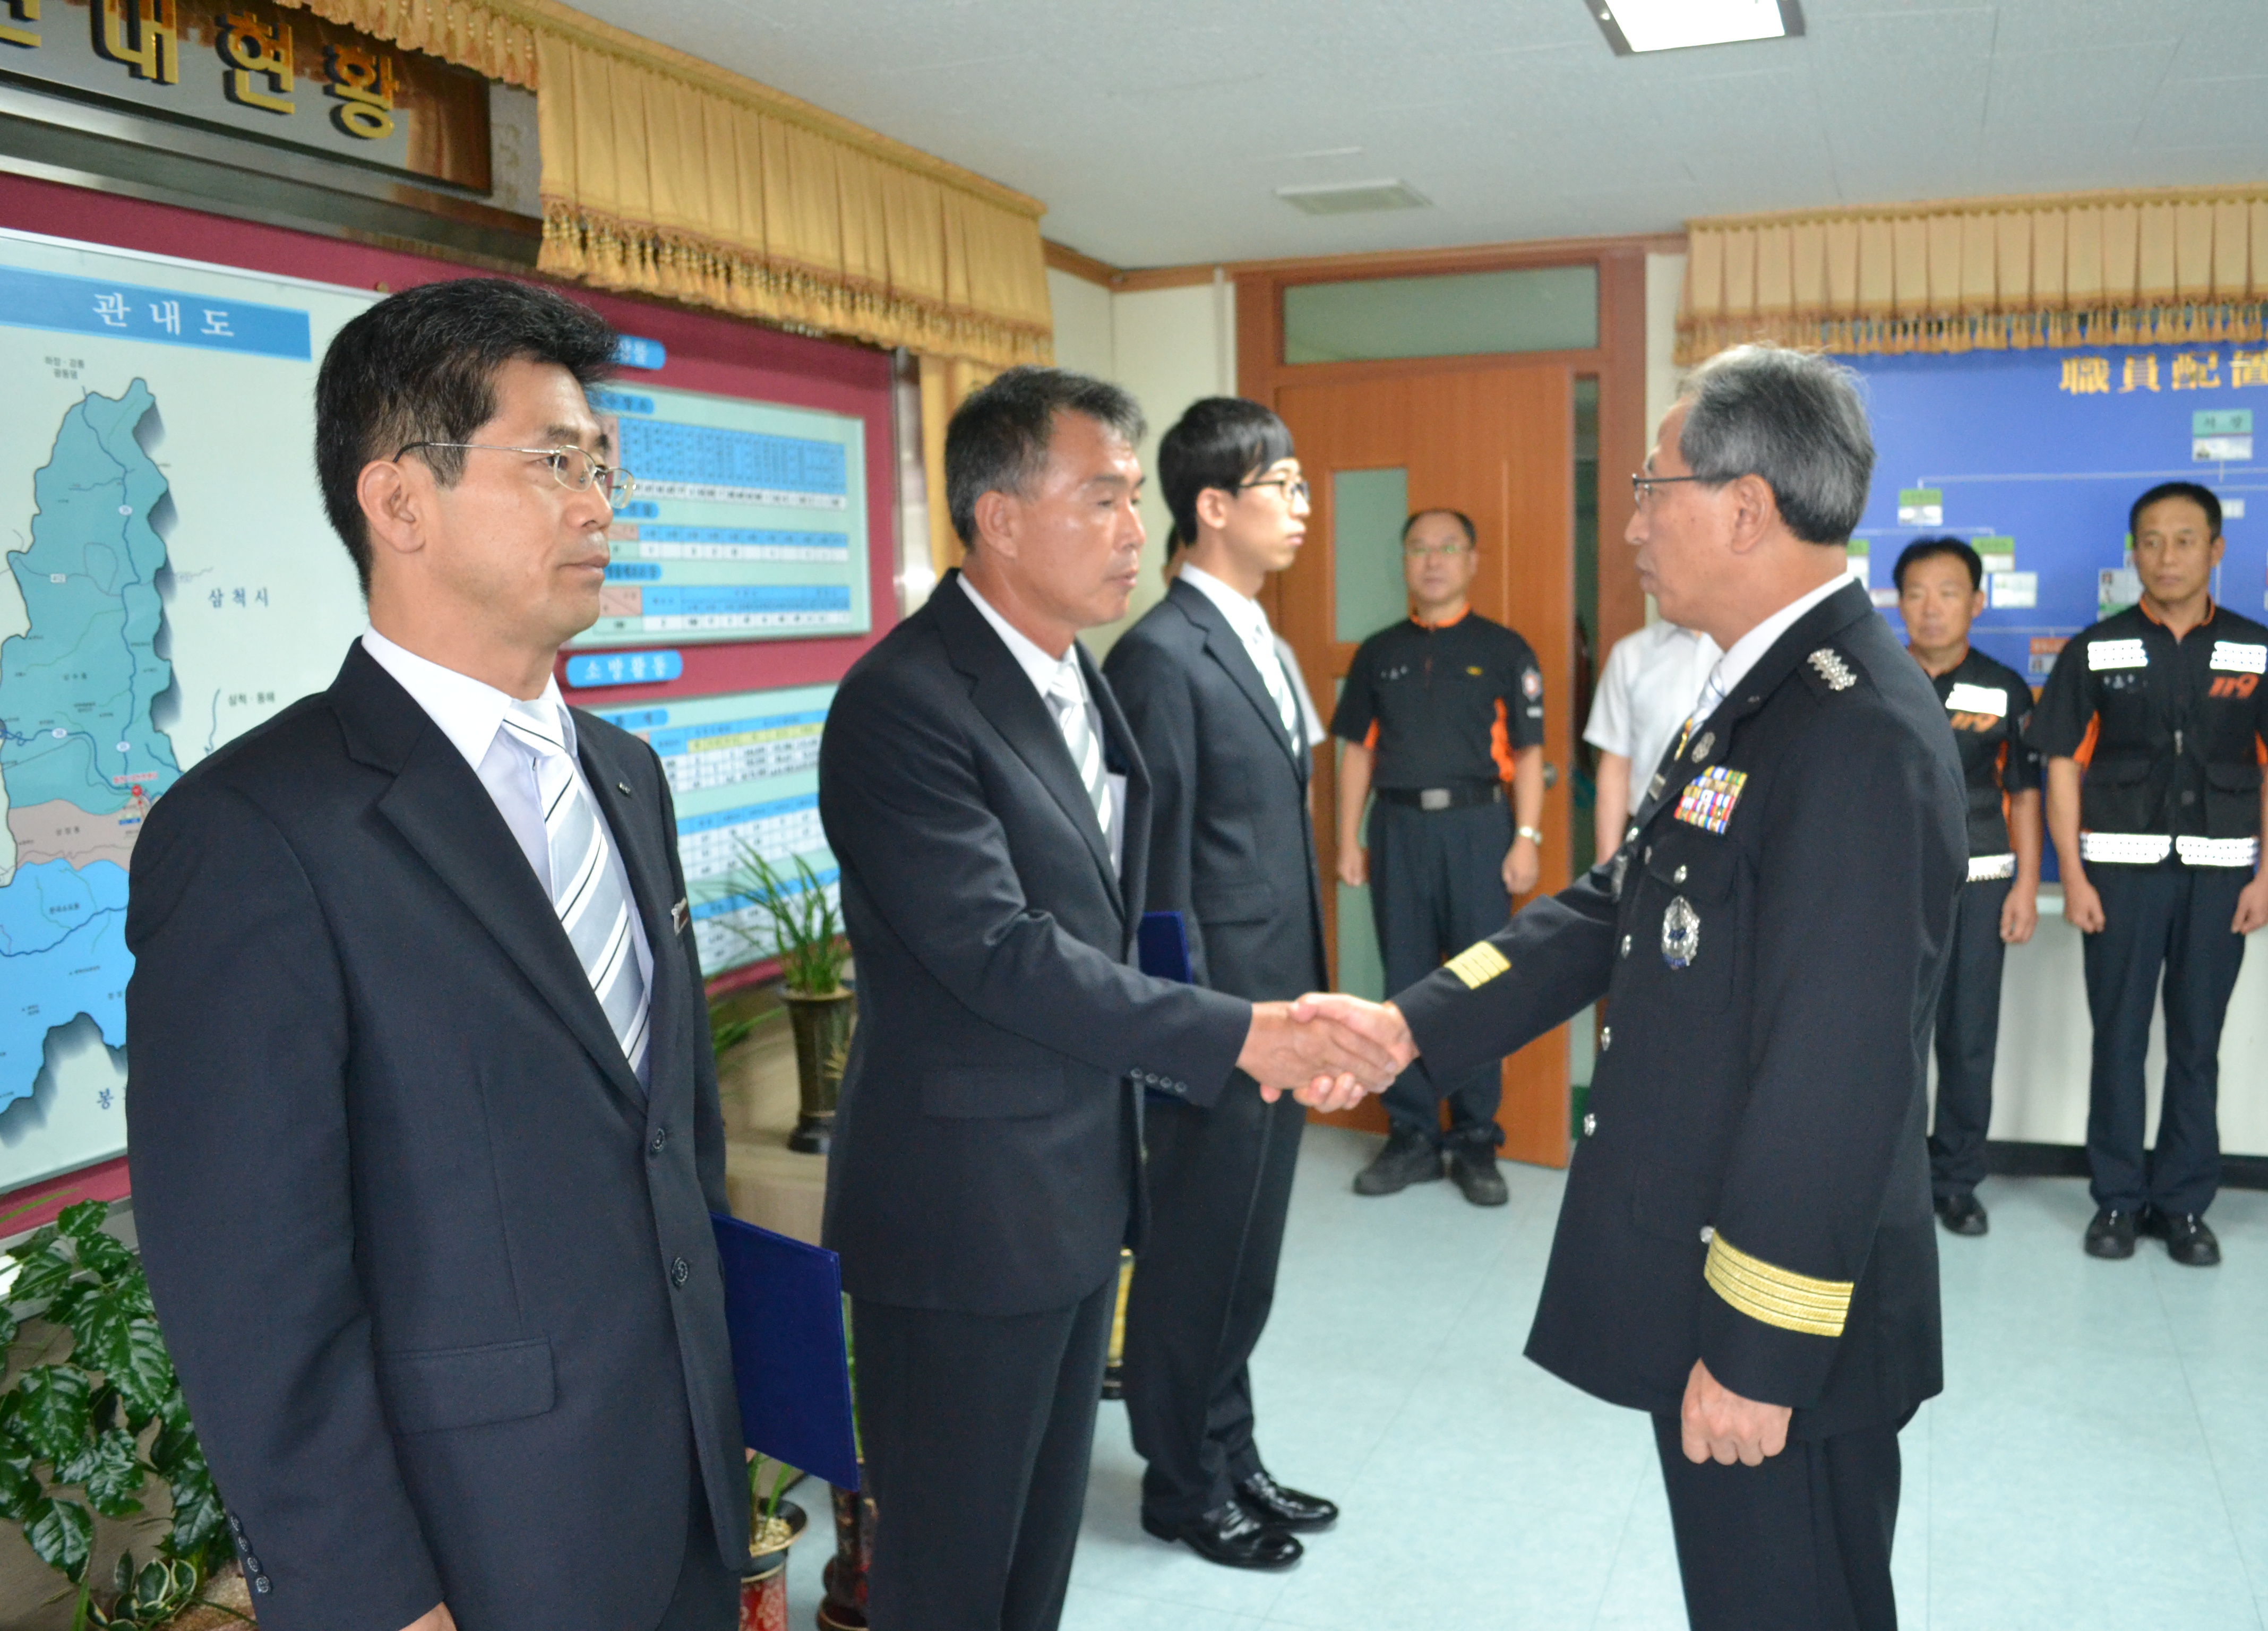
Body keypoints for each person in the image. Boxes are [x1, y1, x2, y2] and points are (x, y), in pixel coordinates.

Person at [125, 279, 749, 1631]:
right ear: (400, 501)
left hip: (685, 1501)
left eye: (603, 467)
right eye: (554, 463)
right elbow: (251, 1286)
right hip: (474, 1549)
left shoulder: (627, 776)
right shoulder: (255, 830)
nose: (598, 506)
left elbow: (672, 1145)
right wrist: (376, 1599)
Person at [1309, 345, 1960, 1631]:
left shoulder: (1852, 731)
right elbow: (1626, 898)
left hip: (1781, 1321)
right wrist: (1406, 1026)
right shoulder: (1761, 686)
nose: (1632, 523)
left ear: (1745, 507)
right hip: (1712, 1266)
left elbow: (1835, 1072)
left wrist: (1758, 1349)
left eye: (1651, 486)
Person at [815, 367, 1398, 1631]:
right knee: (951, 1573)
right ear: (1000, 517)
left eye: (1136, 497)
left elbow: (1125, 921)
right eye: (1103, 498)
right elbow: (999, 950)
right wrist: (1239, 1033)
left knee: (1033, 1563)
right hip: (965, 1213)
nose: (1138, 529)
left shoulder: (1070, 675)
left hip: (1076, 1186)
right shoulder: (905, 702)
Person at [1103, 397, 1339, 1570]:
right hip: (1220, 1025)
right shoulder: (1160, 655)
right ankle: (1182, 1484)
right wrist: (1189, 1035)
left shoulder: (1263, 641)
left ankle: (1231, 1449)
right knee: (1197, 1260)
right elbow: (1156, 878)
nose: (1302, 506)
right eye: (1280, 486)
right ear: (1211, 505)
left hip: (1280, 1010)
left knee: (1246, 1256)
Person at [2026, 482, 2268, 1268]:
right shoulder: (2095, 649)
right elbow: (2061, 767)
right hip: (2118, 880)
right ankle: (2117, 1199)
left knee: (2196, 1044)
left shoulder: (2258, 649)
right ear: (2134, 553)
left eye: (2184, 540)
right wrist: (2074, 878)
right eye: (2151, 541)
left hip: (2220, 880)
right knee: (2118, 1040)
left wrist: (2266, 880)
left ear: (2216, 549)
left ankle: (2183, 1206)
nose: (2167, 556)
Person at [1331, 508, 1546, 1205]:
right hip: (1398, 832)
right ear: (1405, 561)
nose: (1433, 560)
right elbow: (1357, 752)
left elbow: (1531, 752)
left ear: (1472, 560)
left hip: (1480, 829)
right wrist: (1348, 839)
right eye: (1419, 548)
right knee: (1407, 983)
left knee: (1480, 983)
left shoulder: (1505, 650)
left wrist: (1527, 837)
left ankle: (1476, 1139)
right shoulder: (1378, 653)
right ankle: (1413, 1135)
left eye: (1448, 547)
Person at [1894, 537, 2044, 1237]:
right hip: (1888, 891)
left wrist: (2026, 886)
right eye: (1916, 593)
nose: (1932, 608)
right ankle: (1893, 1182)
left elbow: (2026, 794)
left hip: (1981, 884)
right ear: (1898, 603)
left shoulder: (2005, 688)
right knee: (1892, 1040)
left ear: (1976, 603)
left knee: (1968, 1040)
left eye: (1948, 593)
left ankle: (1956, 1182)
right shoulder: (1872, 679)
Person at [1586, 615, 1720, 861]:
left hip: (1726, 835)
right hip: (1650, 835)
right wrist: (1607, 862)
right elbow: (1616, 765)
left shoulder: (1748, 646)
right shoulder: (1631, 655)